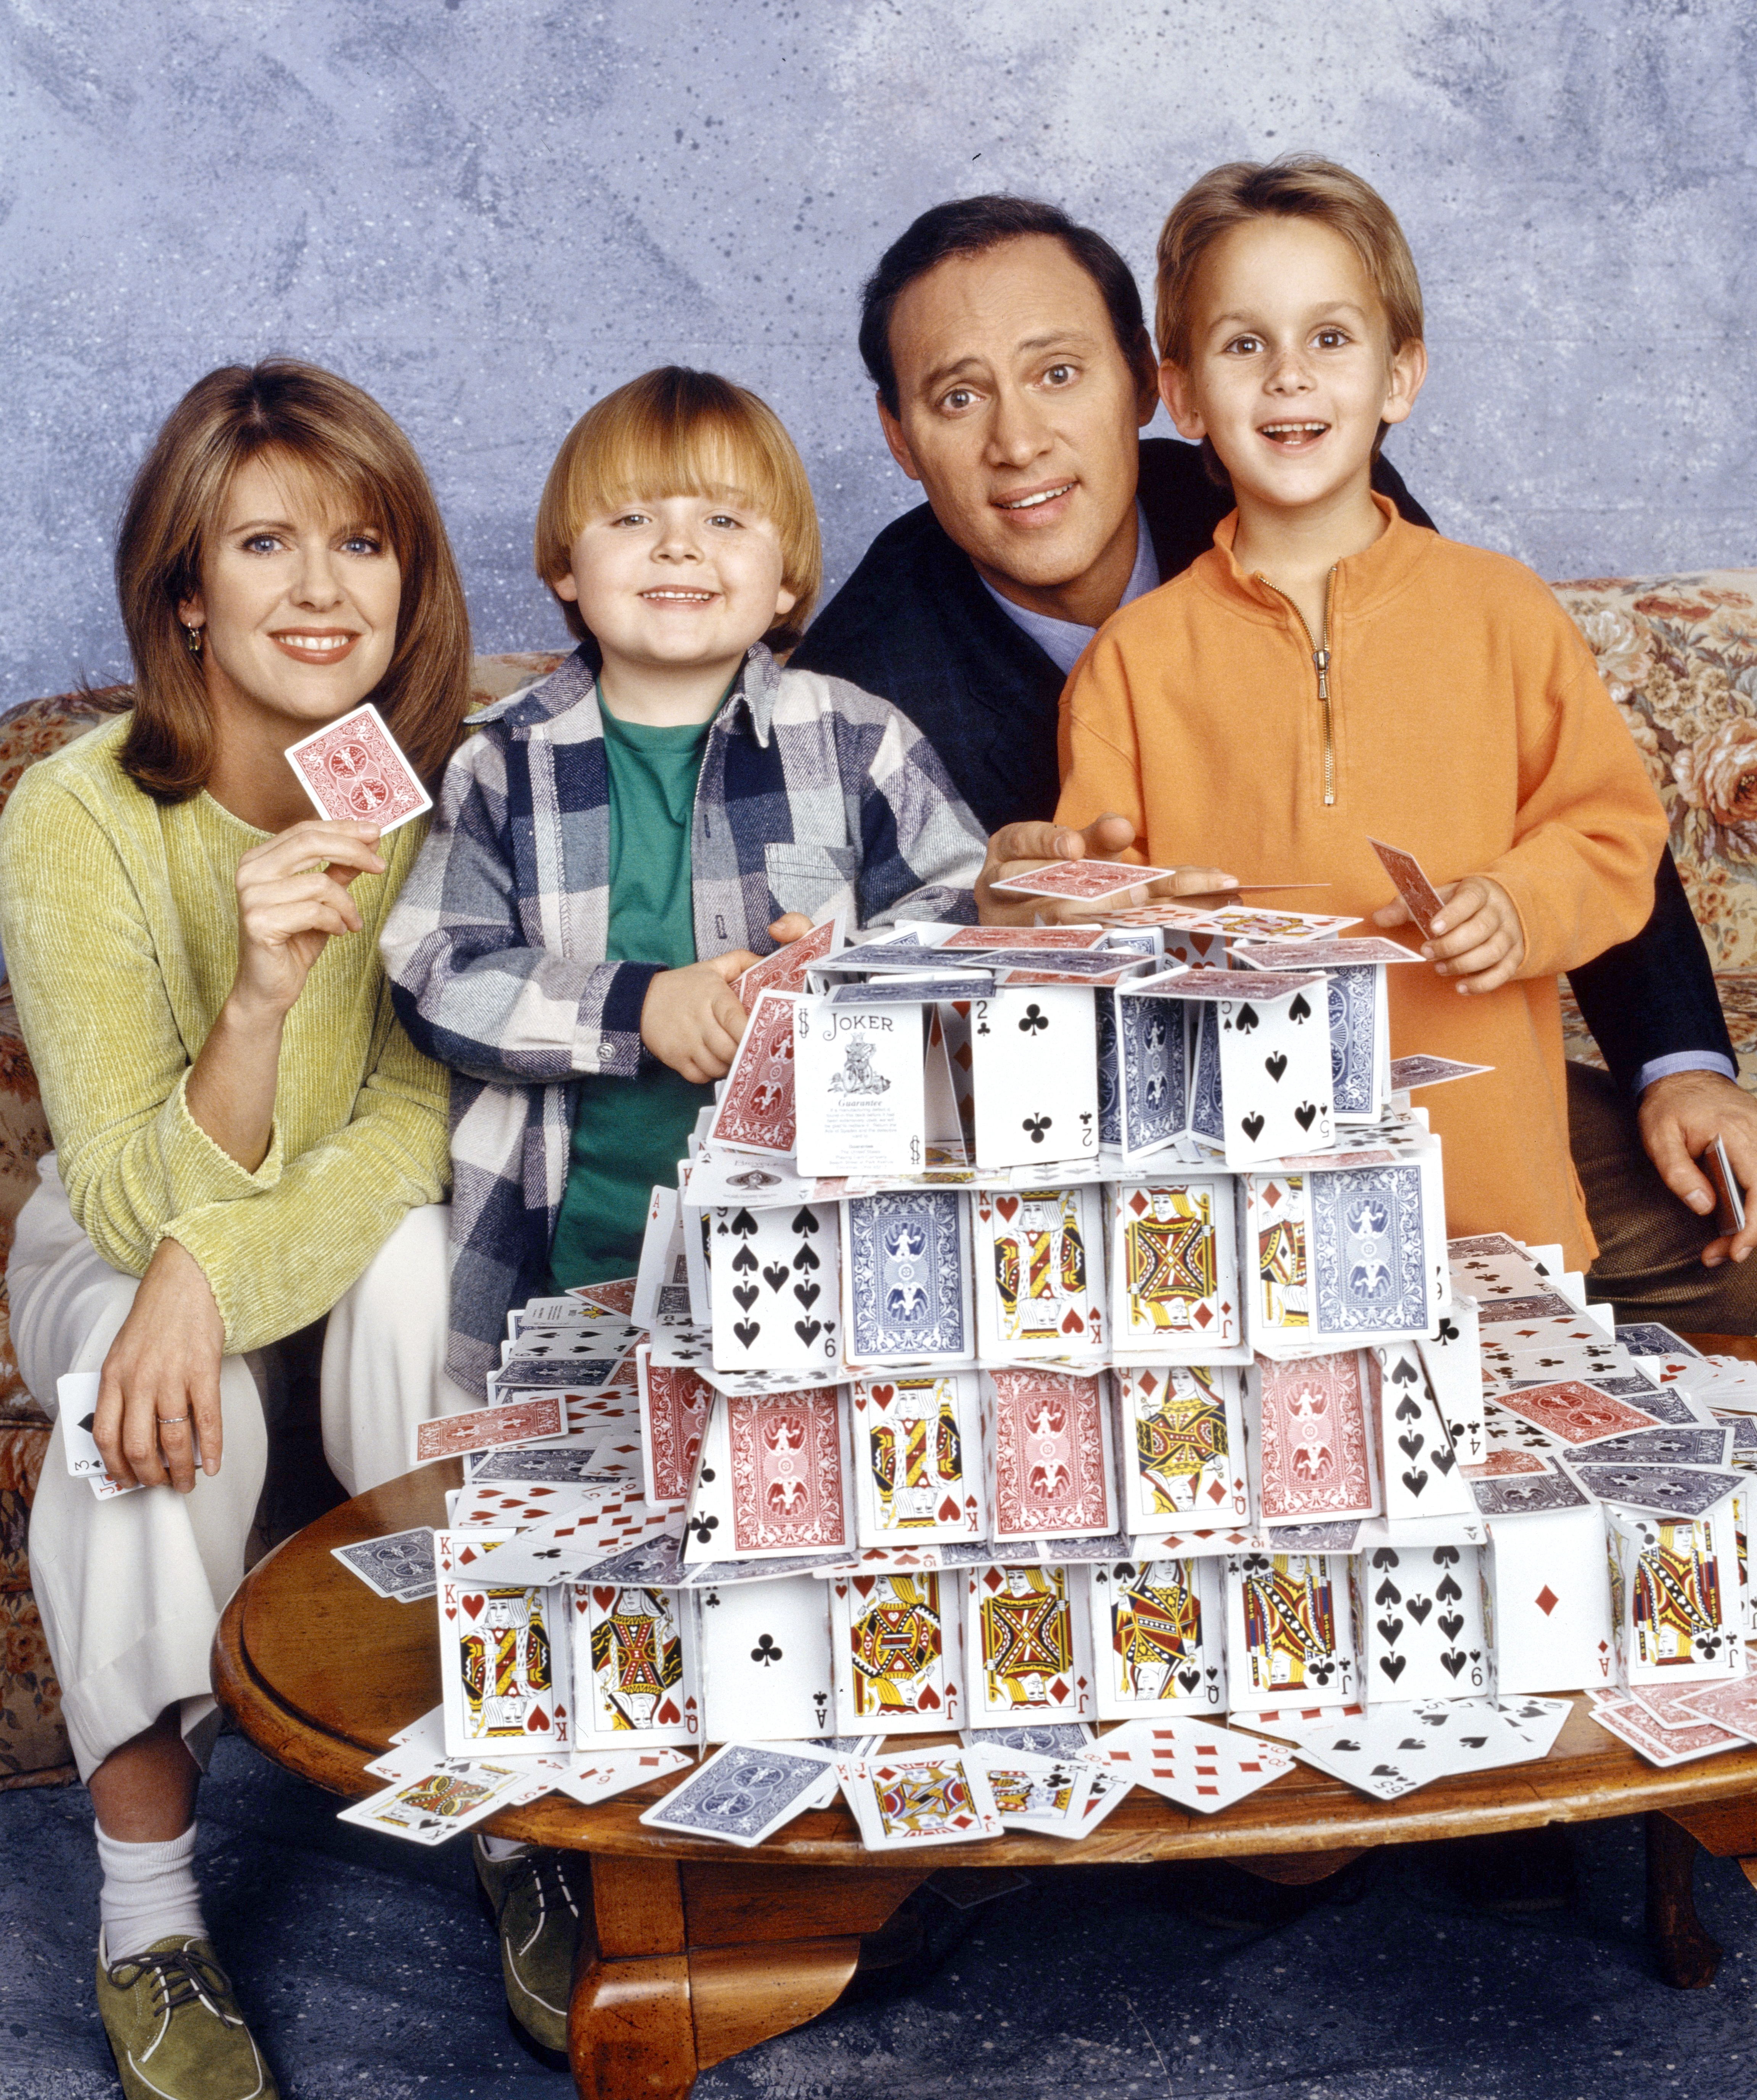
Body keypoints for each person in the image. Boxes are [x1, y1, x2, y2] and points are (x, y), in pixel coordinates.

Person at [795, 195, 1757, 1323]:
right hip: (1182, 1153)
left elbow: (1557, 790)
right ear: (900, 438)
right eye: (959, 397)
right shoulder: (852, 687)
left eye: (1059, 373)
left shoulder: (1298, 476)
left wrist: (1683, 1062)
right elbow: (847, 1022)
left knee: (1723, 1229)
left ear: (1151, 388)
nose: (1018, 442)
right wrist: (990, 927)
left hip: (1462, 1100)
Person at [379, 364, 987, 2039]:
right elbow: (432, 970)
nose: (678, 547)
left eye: (724, 519)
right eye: (633, 518)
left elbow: (963, 932)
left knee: (791, 1552)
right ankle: (573, 1856)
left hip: (808, 1265)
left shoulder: (861, 744)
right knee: (597, 1570)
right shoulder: (498, 763)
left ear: (788, 571)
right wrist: (639, 1005)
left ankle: (812, 1854)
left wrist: (840, 978)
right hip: (564, 1255)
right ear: (563, 570)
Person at [0, 360, 474, 2100]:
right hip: (122, 1224)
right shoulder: (75, 818)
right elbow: (128, 1189)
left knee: (429, 1265)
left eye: (363, 542)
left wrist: (225, 1269)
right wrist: (263, 1000)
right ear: (186, 591)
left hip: (335, 1226)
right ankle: (149, 1913)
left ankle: (504, 1806)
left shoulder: (434, 802)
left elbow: (419, 1120)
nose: (323, 588)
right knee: (133, 1359)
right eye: (263, 543)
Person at [1049, 154, 1668, 1266]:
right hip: (1243, 1217)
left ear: (1400, 377)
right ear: (1183, 394)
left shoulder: (1503, 610)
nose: (1290, 376)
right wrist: (1104, 904)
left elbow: (1616, 834)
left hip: (1496, 1200)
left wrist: (1523, 905)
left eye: (1331, 338)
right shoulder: (1131, 663)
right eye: (1246, 344)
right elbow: (1100, 913)